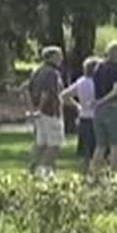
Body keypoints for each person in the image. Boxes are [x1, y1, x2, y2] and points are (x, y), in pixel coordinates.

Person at [89, 42, 117, 175]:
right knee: (115, 145)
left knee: (100, 145)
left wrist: (97, 102)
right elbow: (115, 90)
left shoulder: (98, 67)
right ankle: (114, 174)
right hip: (113, 108)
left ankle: (94, 174)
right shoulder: (116, 68)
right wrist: (102, 101)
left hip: (99, 112)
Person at [26, 46, 65, 178]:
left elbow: (27, 90)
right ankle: (43, 173)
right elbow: (46, 93)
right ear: (52, 57)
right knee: (55, 145)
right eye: (59, 56)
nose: (61, 58)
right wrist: (41, 108)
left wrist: (34, 110)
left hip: (40, 114)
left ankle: (32, 168)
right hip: (51, 112)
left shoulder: (37, 71)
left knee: (41, 144)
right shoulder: (51, 73)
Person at [60, 57, 100, 168]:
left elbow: (64, 95)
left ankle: (86, 170)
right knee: (98, 148)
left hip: (83, 116)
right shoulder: (97, 83)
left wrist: (77, 106)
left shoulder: (81, 81)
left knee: (86, 151)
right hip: (96, 117)